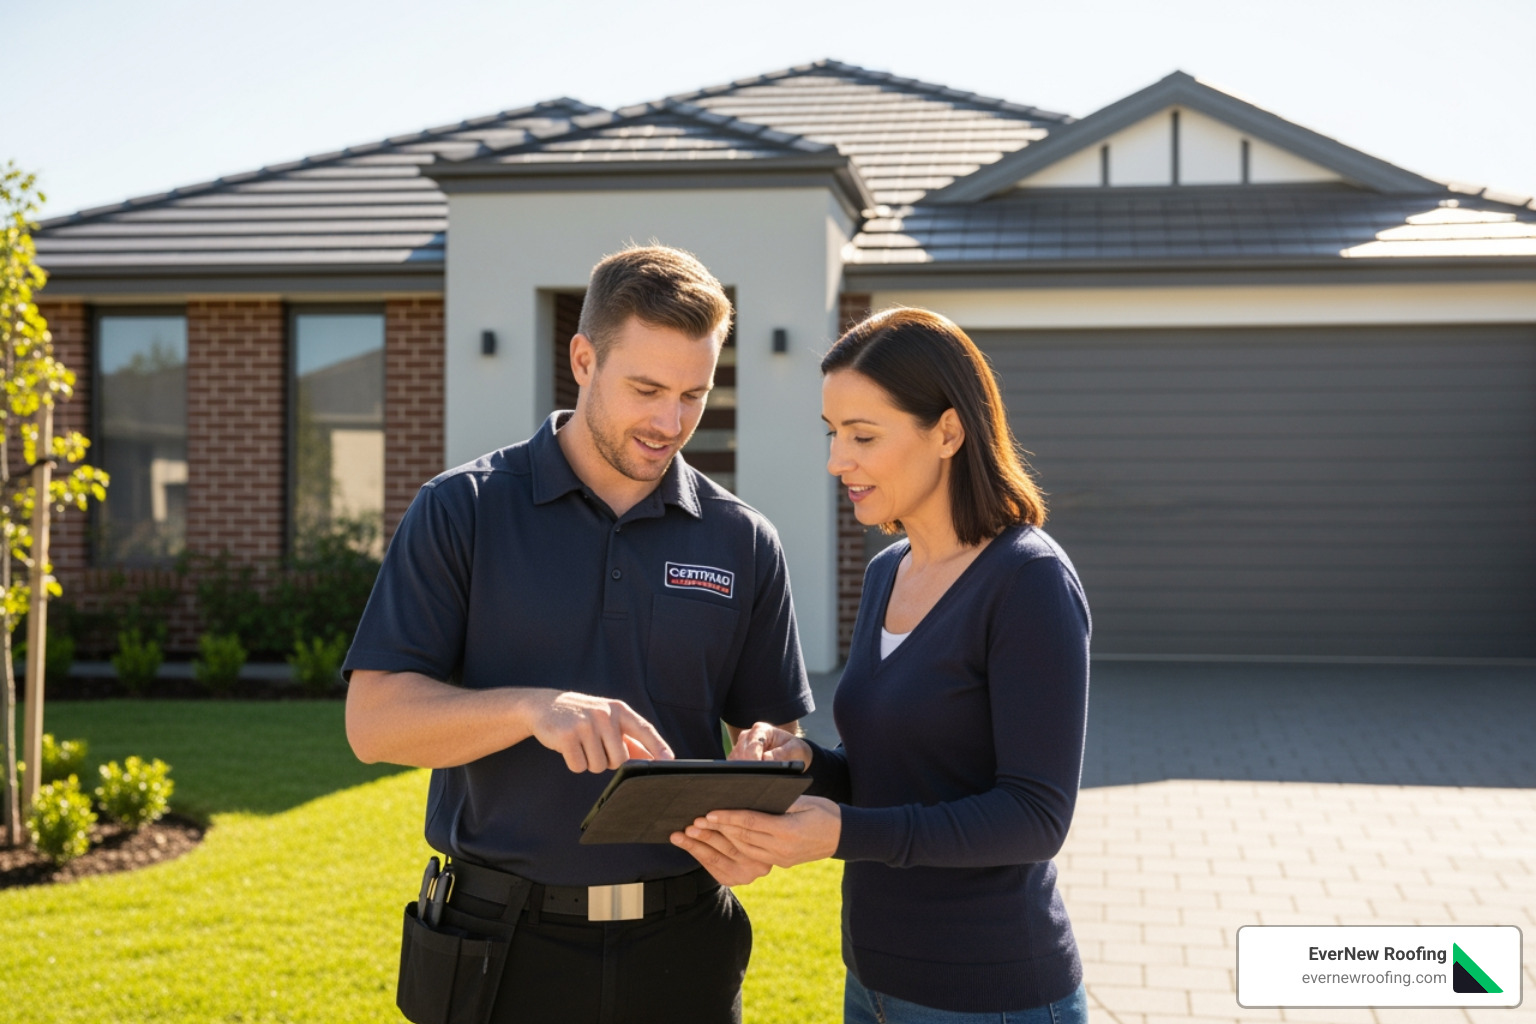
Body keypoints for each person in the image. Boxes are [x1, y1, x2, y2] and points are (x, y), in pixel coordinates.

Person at [343, 245, 812, 1024]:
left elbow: (774, 732)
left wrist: (769, 771)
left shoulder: (743, 539)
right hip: (499, 946)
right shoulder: (462, 509)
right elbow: (373, 724)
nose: (670, 423)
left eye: (693, 395)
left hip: (686, 945)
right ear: (584, 360)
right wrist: (533, 708)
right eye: (647, 390)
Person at [674, 307, 1092, 1024]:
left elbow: (1035, 817)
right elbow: (894, 774)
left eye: (863, 436)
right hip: (872, 982)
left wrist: (842, 833)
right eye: (833, 434)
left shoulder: (1028, 581)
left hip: (988, 995)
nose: (838, 461)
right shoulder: (886, 572)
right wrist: (805, 762)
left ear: (949, 432)